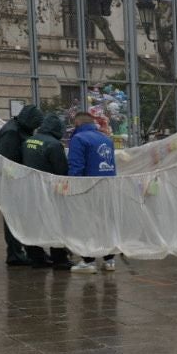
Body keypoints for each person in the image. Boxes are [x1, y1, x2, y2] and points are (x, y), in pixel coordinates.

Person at [67, 108, 117, 273]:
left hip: (88, 188)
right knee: (105, 224)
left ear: (77, 123)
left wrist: (73, 188)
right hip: (107, 187)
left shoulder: (78, 139)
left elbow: (76, 167)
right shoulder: (106, 139)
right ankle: (109, 260)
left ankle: (88, 261)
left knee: (86, 224)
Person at [20, 114, 72, 269]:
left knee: (33, 224)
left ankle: (36, 257)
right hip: (49, 191)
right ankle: (59, 259)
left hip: (30, 189)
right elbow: (61, 171)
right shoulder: (54, 145)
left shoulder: (28, 141)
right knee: (55, 224)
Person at [0, 104, 43, 265]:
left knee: (20, 218)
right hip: (13, 183)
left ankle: (24, 252)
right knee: (13, 218)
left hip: (18, 182)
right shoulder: (12, 132)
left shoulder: (18, 128)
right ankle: (15, 254)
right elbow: (8, 161)